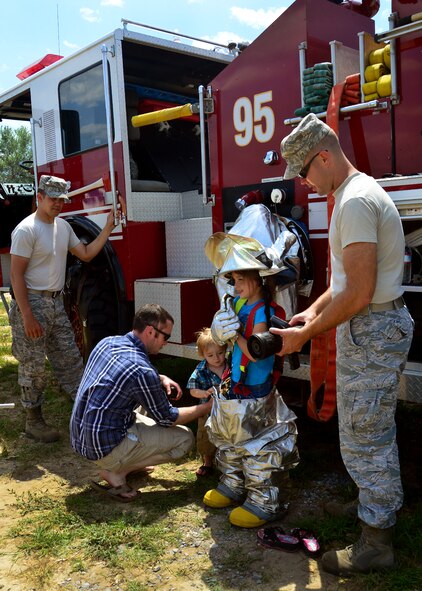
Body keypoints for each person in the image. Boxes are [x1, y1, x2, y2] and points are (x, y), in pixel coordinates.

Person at [271, 113, 414, 575]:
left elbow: (358, 292)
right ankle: (371, 509)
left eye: (305, 171)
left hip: (372, 328)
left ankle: (376, 543)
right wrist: (311, 312)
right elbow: (345, 282)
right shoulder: (354, 194)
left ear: (325, 156)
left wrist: (304, 335)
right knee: (360, 430)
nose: (303, 182)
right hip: (370, 327)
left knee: (368, 436)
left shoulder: (353, 202)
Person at [9, 174, 119, 443]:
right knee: (33, 367)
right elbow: (15, 276)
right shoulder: (26, 230)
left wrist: (107, 228)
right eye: (53, 199)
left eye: (62, 200)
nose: (58, 204)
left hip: (56, 303)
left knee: (71, 361)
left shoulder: (63, 228)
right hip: (32, 302)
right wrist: (27, 316)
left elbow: (85, 254)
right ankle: (33, 422)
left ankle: (86, 414)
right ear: (40, 198)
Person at [70, 303, 213, 502]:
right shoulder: (141, 371)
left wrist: (159, 377)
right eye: (166, 337)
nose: (166, 343)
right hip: (103, 447)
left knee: (141, 401)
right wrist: (207, 406)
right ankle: (118, 472)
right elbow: (168, 418)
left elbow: (124, 373)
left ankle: (127, 459)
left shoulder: (108, 342)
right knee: (185, 439)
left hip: (81, 437)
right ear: (150, 331)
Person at [203, 269, 299, 528]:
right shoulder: (239, 303)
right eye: (233, 281)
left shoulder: (262, 312)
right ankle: (233, 484)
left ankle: (263, 500)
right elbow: (223, 329)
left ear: (258, 279)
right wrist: (218, 327)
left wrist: (235, 336)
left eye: (241, 280)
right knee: (231, 431)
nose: (235, 286)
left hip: (256, 386)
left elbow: (256, 353)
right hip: (235, 381)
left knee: (257, 440)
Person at [187, 328, 227, 477]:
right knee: (206, 437)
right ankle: (207, 462)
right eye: (210, 355)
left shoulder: (230, 367)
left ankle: (227, 461)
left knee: (228, 435)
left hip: (227, 410)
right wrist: (203, 393)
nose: (216, 358)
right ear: (202, 355)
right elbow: (192, 389)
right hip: (208, 412)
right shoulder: (201, 370)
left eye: (220, 353)